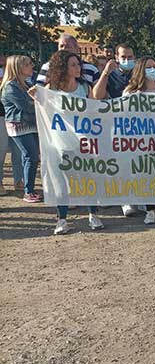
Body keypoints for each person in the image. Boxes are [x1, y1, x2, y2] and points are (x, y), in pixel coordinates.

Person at [44, 51, 105, 234]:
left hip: (84, 142)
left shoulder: (84, 87)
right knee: (61, 183)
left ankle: (93, 214)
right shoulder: (51, 89)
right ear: (62, 68)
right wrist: (35, 97)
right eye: (73, 65)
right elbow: (42, 109)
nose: (78, 68)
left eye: (78, 64)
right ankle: (62, 219)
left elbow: (95, 108)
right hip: (61, 143)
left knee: (88, 179)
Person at [122, 58, 155, 224]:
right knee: (147, 175)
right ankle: (150, 210)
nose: (153, 70)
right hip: (141, 142)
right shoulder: (131, 92)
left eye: (154, 67)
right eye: (148, 67)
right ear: (140, 70)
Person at [1, 55, 40, 203]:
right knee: (31, 155)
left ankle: (29, 188)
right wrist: (36, 100)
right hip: (19, 126)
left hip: (29, 124)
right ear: (18, 68)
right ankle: (28, 192)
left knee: (30, 156)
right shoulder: (11, 87)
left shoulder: (25, 83)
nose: (32, 66)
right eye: (28, 64)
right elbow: (26, 107)